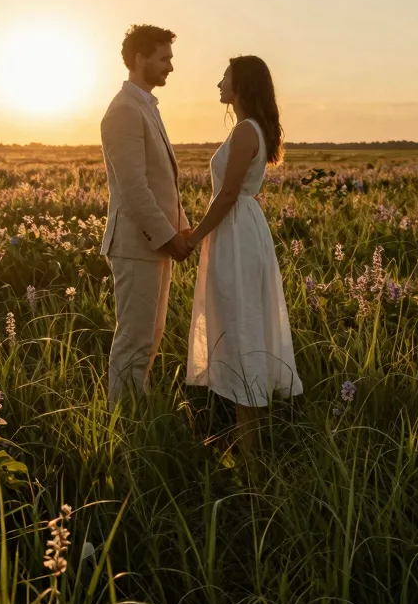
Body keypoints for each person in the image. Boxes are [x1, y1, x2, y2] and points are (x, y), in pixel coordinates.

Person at [184, 55, 302, 450]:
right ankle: (244, 440)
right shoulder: (248, 129)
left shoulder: (246, 132)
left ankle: (250, 454)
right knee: (236, 324)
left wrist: (193, 236)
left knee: (241, 325)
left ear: (242, 85)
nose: (218, 83)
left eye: (225, 77)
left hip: (236, 231)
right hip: (238, 230)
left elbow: (228, 194)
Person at [99, 24, 192, 406]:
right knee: (134, 339)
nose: (170, 66)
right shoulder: (123, 110)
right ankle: (123, 423)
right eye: (164, 58)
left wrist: (184, 231)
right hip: (138, 243)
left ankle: (139, 414)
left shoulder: (144, 106)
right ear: (140, 59)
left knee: (150, 337)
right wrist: (170, 238)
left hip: (155, 242)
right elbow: (134, 188)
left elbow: (161, 182)